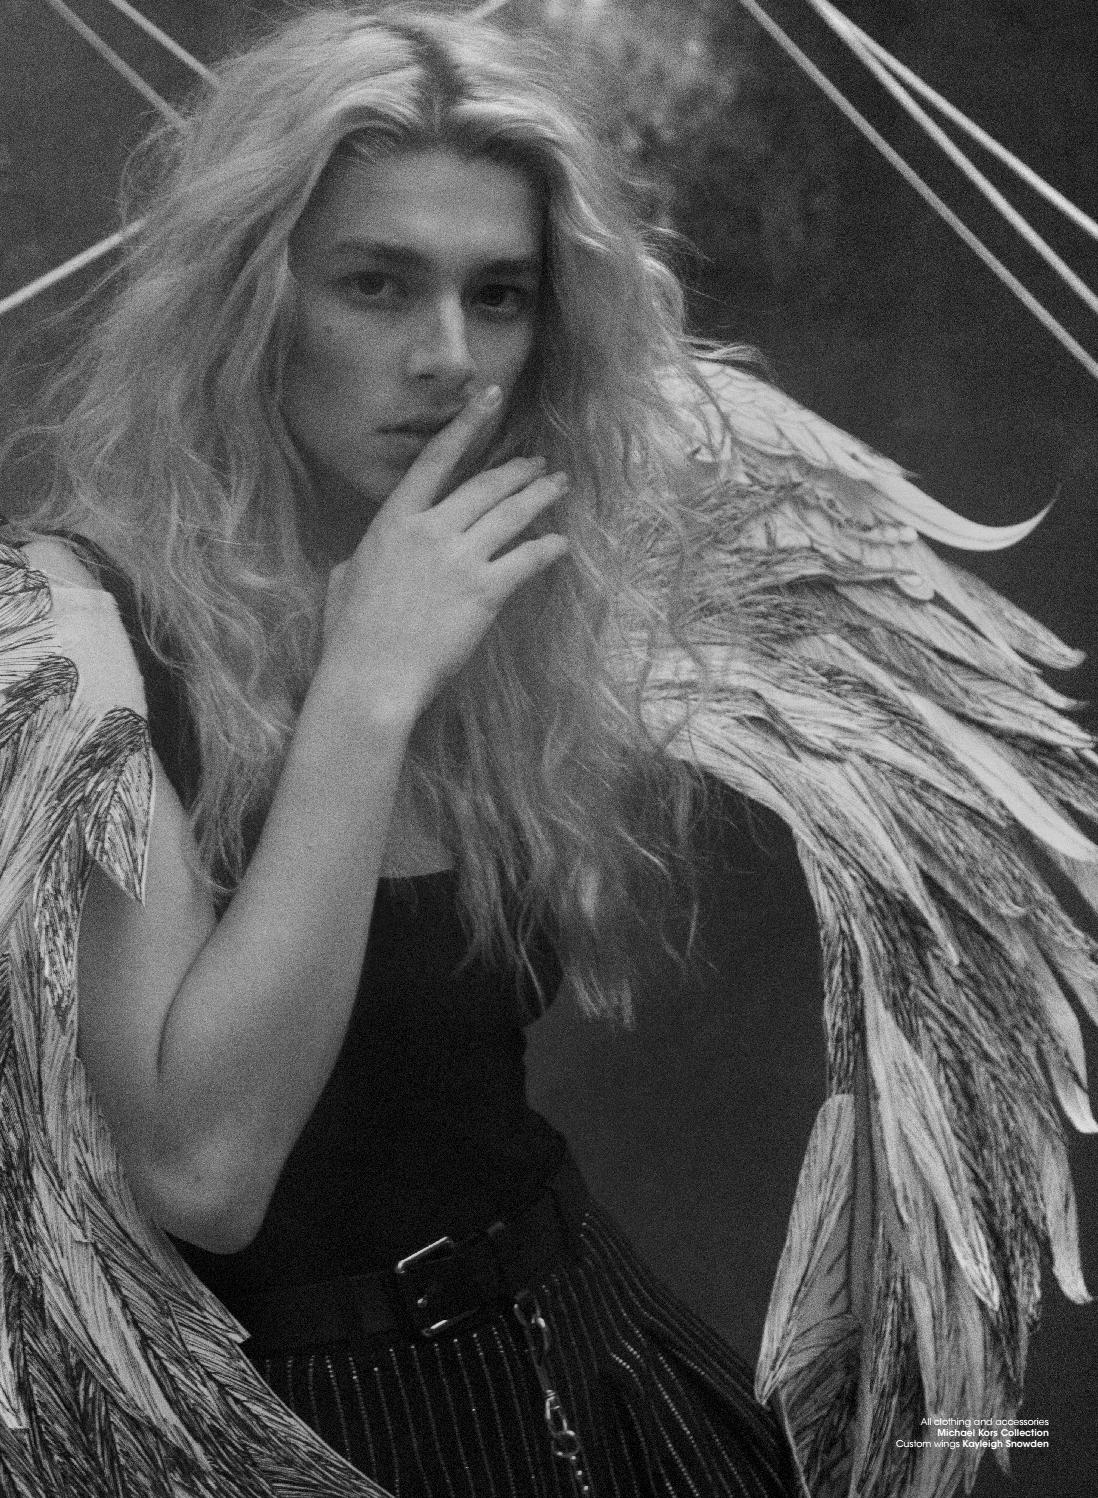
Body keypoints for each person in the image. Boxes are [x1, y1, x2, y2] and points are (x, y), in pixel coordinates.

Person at [2, 7, 1095, 1498]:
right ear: (250, 300)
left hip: (604, 1369)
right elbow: (206, 1172)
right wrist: (365, 689)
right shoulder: (85, 639)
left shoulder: (493, 579)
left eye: (499, 295)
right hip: (309, 1437)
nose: (447, 356)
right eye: (377, 283)